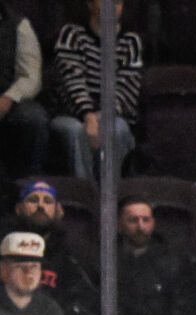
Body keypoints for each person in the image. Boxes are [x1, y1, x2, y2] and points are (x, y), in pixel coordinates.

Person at [47, 0, 141, 181]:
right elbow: (71, 80)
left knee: (117, 129)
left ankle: (112, 193)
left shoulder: (130, 41)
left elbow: (127, 88)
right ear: (90, 4)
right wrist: (87, 115)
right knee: (75, 131)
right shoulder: (71, 34)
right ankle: (86, 192)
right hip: (71, 114)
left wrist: (102, 116)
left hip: (111, 113)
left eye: (118, 2)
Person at [115, 197, 194, 315]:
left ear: (153, 223)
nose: (140, 226)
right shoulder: (102, 260)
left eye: (146, 220)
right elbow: (94, 311)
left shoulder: (174, 263)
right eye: (133, 220)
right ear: (119, 224)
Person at [8, 178, 97, 315]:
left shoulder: (71, 254)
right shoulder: (5, 250)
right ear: (18, 209)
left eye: (48, 201)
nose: (41, 206)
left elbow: (84, 300)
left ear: (58, 210)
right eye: (33, 200)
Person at [0, 3, 49, 177]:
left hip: (8, 99)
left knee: (33, 118)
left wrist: (8, 98)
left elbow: (31, 76)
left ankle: (30, 184)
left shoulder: (18, 25)